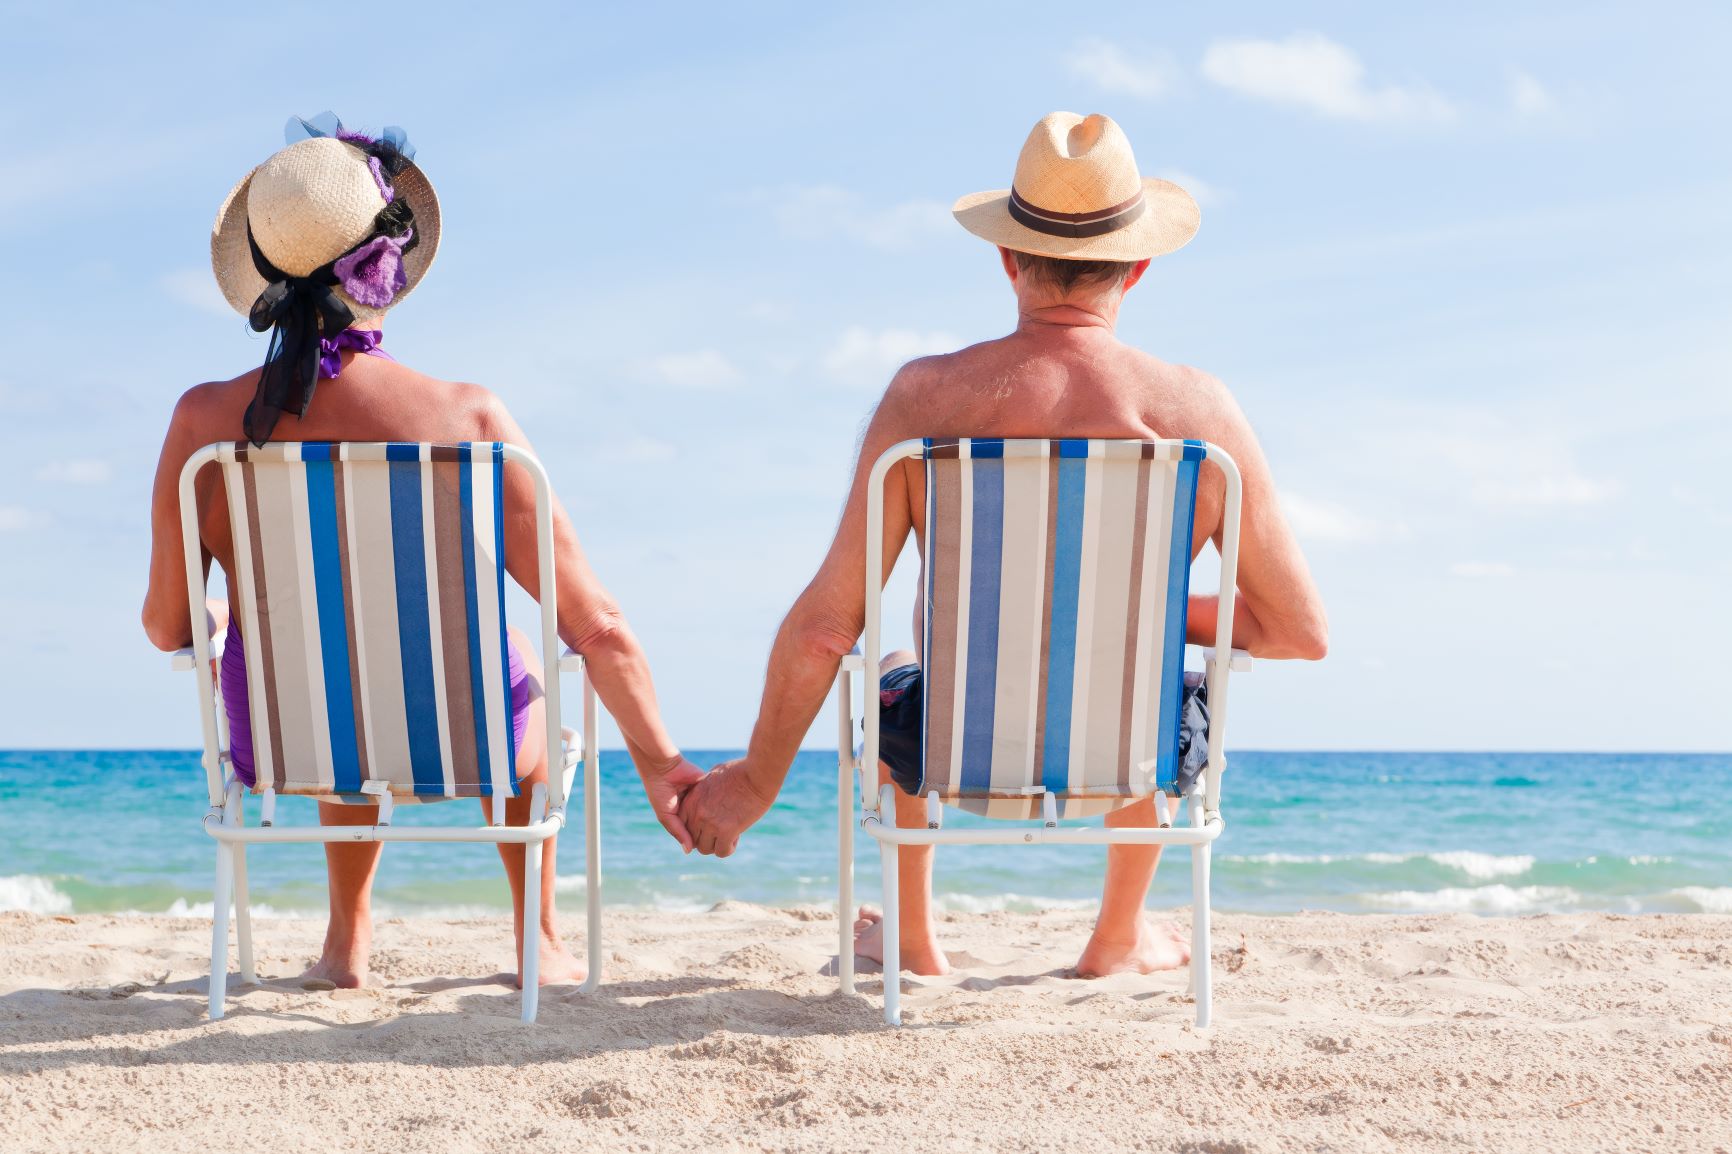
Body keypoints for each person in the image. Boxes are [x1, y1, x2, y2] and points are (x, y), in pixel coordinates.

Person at [679, 112, 1327, 978]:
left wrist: (754, 784)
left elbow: (827, 628)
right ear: (1137, 267)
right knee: (1159, 675)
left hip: (949, 749)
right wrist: (1147, 619)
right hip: (1134, 757)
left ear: (1007, 258)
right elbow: (1298, 632)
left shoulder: (928, 400)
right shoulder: (1198, 415)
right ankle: (1117, 938)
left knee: (897, 657)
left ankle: (910, 941)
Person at [140, 114, 702, 990]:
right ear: (386, 269)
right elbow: (596, 627)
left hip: (288, 739)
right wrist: (667, 767)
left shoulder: (203, 424)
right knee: (512, 674)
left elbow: (167, 625)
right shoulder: (468, 421)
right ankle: (538, 942)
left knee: (329, 663)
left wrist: (219, 612)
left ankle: (344, 948)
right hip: (466, 739)